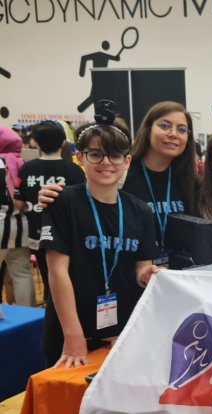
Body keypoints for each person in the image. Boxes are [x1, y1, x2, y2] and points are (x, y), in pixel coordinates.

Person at [40, 119, 159, 367]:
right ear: (80, 158)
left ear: (127, 161)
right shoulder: (62, 202)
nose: (106, 162)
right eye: (95, 154)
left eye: (115, 155)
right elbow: (57, 271)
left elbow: (141, 267)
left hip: (120, 333)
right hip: (71, 334)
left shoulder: (141, 211)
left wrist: (148, 275)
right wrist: (73, 334)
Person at [39, 102, 199, 267]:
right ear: (147, 130)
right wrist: (51, 196)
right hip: (122, 270)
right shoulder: (118, 171)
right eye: (164, 126)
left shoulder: (191, 181)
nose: (173, 134)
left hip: (178, 273)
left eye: (182, 129)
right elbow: (83, 202)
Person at [14, 121, 86, 305]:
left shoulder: (26, 168)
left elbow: (19, 203)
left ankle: (50, 309)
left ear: (36, 143)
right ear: (63, 142)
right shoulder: (74, 170)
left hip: (37, 233)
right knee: (70, 276)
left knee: (48, 277)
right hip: (68, 234)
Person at [0, 127, 35, 307]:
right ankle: (28, 315)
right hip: (22, 224)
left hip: (0, 222)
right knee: (22, 273)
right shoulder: (24, 163)